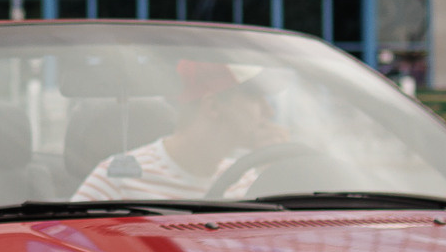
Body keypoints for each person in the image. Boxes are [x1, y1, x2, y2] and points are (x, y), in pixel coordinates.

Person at [72, 62, 287, 201]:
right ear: (212, 106)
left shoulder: (246, 179)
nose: (268, 111)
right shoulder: (118, 178)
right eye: (256, 98)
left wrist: (273, 173)